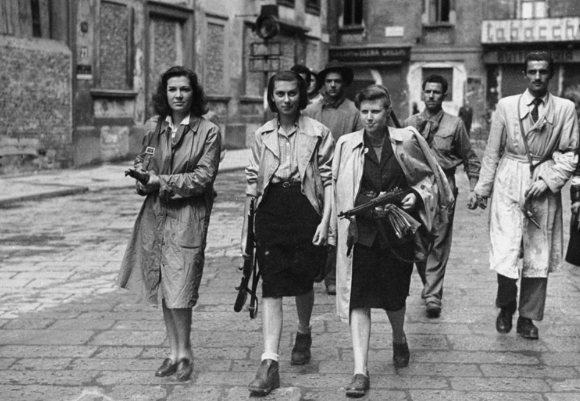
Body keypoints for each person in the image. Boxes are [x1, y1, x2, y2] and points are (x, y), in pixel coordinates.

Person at [332, 85, 453, 397]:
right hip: (362, 233)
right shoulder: (347, 144)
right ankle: (360, 370)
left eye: (376, 111)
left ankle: (399, 336)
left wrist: (415, 196)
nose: (370, 118)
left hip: (397, 233)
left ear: (388, 112)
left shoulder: (407, 139)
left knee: (394, 298)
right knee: (358, 299)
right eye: (365, 111)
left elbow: (429, 178)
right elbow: (338, 188)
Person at [117, 66, 221, 381]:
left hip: (188, 217)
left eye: (184, 89)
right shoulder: (155, 126)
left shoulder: (208, 131)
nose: (178, 95)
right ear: (164, 93)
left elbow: (202, 178)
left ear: (194, 93)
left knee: (181, 286)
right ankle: (173, 352)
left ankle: (185, 353)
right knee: (165, 284)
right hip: (155, 216)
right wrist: (141, 177)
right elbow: (144, 160)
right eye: (172, 89)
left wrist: (159, 181)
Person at [473, 51, 579, 340]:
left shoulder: (565, 109)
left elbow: (571, 154)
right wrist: (482, 189)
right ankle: (506, 306)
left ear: (551, 74)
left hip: (543, 178)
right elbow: (492, 151)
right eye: (532, 71)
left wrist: (548, 180)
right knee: (506, 247)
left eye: (543, 71)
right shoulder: (507, 106)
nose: (537, 77)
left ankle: (528, 318)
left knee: (537, 252)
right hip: (509, 177)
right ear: (524, 74)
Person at [243, 71, 334, 396]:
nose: (286, 99)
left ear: (301, 95)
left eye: (292, 93)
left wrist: (325, 222)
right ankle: (269, 362)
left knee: (303, 280)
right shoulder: (262, 134)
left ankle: (304, 331)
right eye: (280, 93)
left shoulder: (318, 132)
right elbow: (252, 184)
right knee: (272, 284)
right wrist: (246, 231)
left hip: (305, 208)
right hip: (271, 210)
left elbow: (329, 180)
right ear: (272, 96)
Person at [404, 75, 481, 318]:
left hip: (444, 186)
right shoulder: (410, 123)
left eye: (436, 92)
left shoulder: (454, 124)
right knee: (417, 240)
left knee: (439, 239)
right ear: (422, 93)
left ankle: (433, 296)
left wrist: (474, 187)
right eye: (427, 91)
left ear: (444, 95)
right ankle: (429, 284)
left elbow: (469, 157)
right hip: (416, 187)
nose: (431, 96)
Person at [303, 59, 364, 295]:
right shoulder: (310, 111)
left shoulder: (353, 112)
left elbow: (358, 144)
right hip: (312, 175)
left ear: (344, 84)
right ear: (322, 84)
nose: (332, 85)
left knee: (336, 225)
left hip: (341, 174)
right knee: (313, 221)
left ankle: (332, 276)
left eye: (337, 81)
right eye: (328, 81)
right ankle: (314, 270)